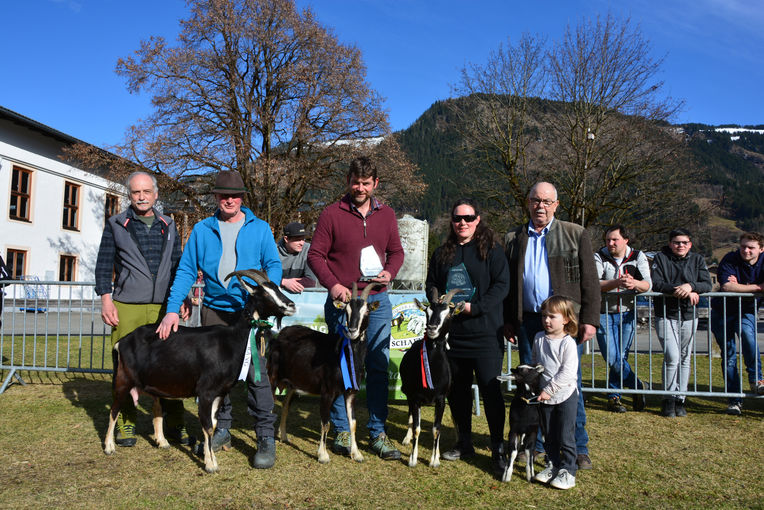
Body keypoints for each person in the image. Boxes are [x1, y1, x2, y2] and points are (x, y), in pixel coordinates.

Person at [156, 170, 283, 469]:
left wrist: (266, 294)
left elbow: (273, 264)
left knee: (257, 375)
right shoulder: (202, 230)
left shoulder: (261, 229)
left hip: (249, 316)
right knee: (214, 377)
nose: (229, 200)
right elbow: (186, 270)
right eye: (224, 195)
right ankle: (221, 430)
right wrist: (173, 309)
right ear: (215, 197)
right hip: (214, 312)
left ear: (242, 198)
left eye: (235, 195)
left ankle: (265, 436)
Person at [307, 156, 404, 460]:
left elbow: (397, 252)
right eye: (355, 182)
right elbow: (316, 256)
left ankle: (377, 432)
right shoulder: (330, 214)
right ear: (347, 181)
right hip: (343, 301)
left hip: (377, 302)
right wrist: (333, 284)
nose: (359, 188)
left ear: (376, 184)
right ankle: (341, 429)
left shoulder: (387, 215)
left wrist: (390, 272)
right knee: (340, 368)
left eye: (365, 183)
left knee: (377, 364)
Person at [503, 182, 600, 470]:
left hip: (564, 324)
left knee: (569, 386)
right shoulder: (513, 238)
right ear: (528, 203)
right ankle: (536, 445)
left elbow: (590, 282)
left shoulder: (575, 233)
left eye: (547, 201)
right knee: (530, 388)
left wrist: (590, 320)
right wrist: (509, 320)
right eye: (535, 200)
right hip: (528, 321)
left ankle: (578, 448)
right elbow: (508, 285)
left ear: (557, 205)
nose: (540, 206)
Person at [94, 171, 190, 447]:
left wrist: (182, 298)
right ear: (130, 195)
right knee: (126, 368)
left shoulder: (169, 224)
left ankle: (175, 425)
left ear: (156, 194)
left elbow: (178, 266)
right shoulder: (115, 224)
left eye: (146, 191)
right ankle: (126, 424)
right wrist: (106, 298)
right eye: (136, 192)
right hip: (127, 307)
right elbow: (103, 266)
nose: (142, 197)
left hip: (163, 308)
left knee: (173, 368)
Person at [425, 199, 509, 477]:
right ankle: (464, 442)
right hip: (454, 337)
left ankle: (498, 447)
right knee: (457, 394)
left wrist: (478, 307)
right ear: (451, 221)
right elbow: (432, 283)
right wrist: (438, 301)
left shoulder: (492, 251)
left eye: (468, 218)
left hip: (485, 333)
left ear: (478, 219)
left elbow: (502, 286)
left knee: (490, 392)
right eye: (457, 218)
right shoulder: (442, 252)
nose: (462, 222)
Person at [651, 228, 712, 418]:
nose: (680, 246)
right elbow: (657, 283)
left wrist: (691, 286)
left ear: (690, 244)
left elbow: (707, 284)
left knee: (685, 358)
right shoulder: (661, 259)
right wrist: (678, 290)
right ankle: (668, 399)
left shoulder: (697, 260)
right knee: (672, 356)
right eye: (677, 242)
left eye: (684, 242)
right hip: (666, 314)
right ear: (670, 243)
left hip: (689, 315)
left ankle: (681, 398)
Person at [594, 225, 652, 413]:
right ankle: (636, 385)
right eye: (608, 240)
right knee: (612, 357)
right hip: (604, 313)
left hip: (628, 313)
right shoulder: (599, 256)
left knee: (621, 357)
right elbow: (594, 283)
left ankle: (614, 396)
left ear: (626, 240)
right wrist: (616, 283)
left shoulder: (638, 256)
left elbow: (648, 284)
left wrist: (634, 283)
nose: (610, 243)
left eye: (614, 240)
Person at [710, 232, 764, 415]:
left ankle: (756, 380)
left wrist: (740, 285)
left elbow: (735, 286)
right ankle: (734, 400)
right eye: (743, 246)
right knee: (729, 355)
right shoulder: (730, 258)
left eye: (751, 247)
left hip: (747, 310)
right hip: (722, 311)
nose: (746, 251)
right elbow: (727, 286)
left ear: (761, 249)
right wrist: (757, 287)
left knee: (748, 336)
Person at [532, 296, 580, 490]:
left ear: (566, 319)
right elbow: (536, 363)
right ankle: (552, 465)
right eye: (544, 316)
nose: (547, 320)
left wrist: (549, 390)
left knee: (565, 435)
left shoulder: (568, 343)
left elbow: (568, 372)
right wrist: (535, 383)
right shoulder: (538, 338)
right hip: (545, 397)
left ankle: (568, 470)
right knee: (548, 434)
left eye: (552, 316)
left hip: (565, 395)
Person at [277, 222, 317, 294]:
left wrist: (287, 283)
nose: (302, 243)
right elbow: (263, 279)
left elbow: (311, 282)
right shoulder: (273, 252)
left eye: (303, 239)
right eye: (298, 239)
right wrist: (284, 282)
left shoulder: (309, 250)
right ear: (286, 239)